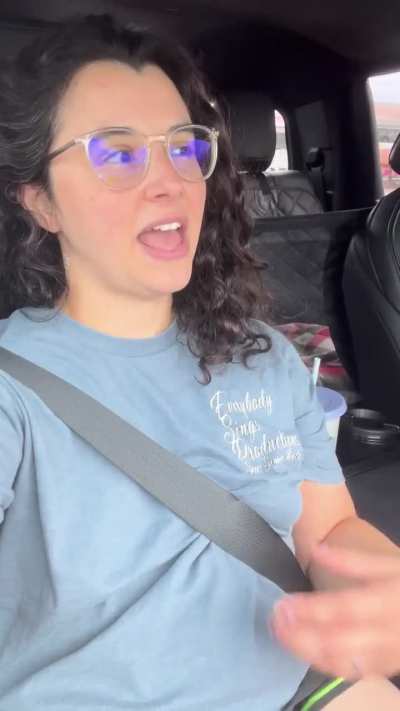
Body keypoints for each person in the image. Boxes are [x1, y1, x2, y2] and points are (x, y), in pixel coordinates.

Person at [0, 13, 399, 711]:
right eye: (117, 154)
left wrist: (377, 586)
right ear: (40, 202)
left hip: (300, 687)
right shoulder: (14, 387)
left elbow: (329, 531)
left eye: (184, 147)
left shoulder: (264, 355)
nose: (169, 180)